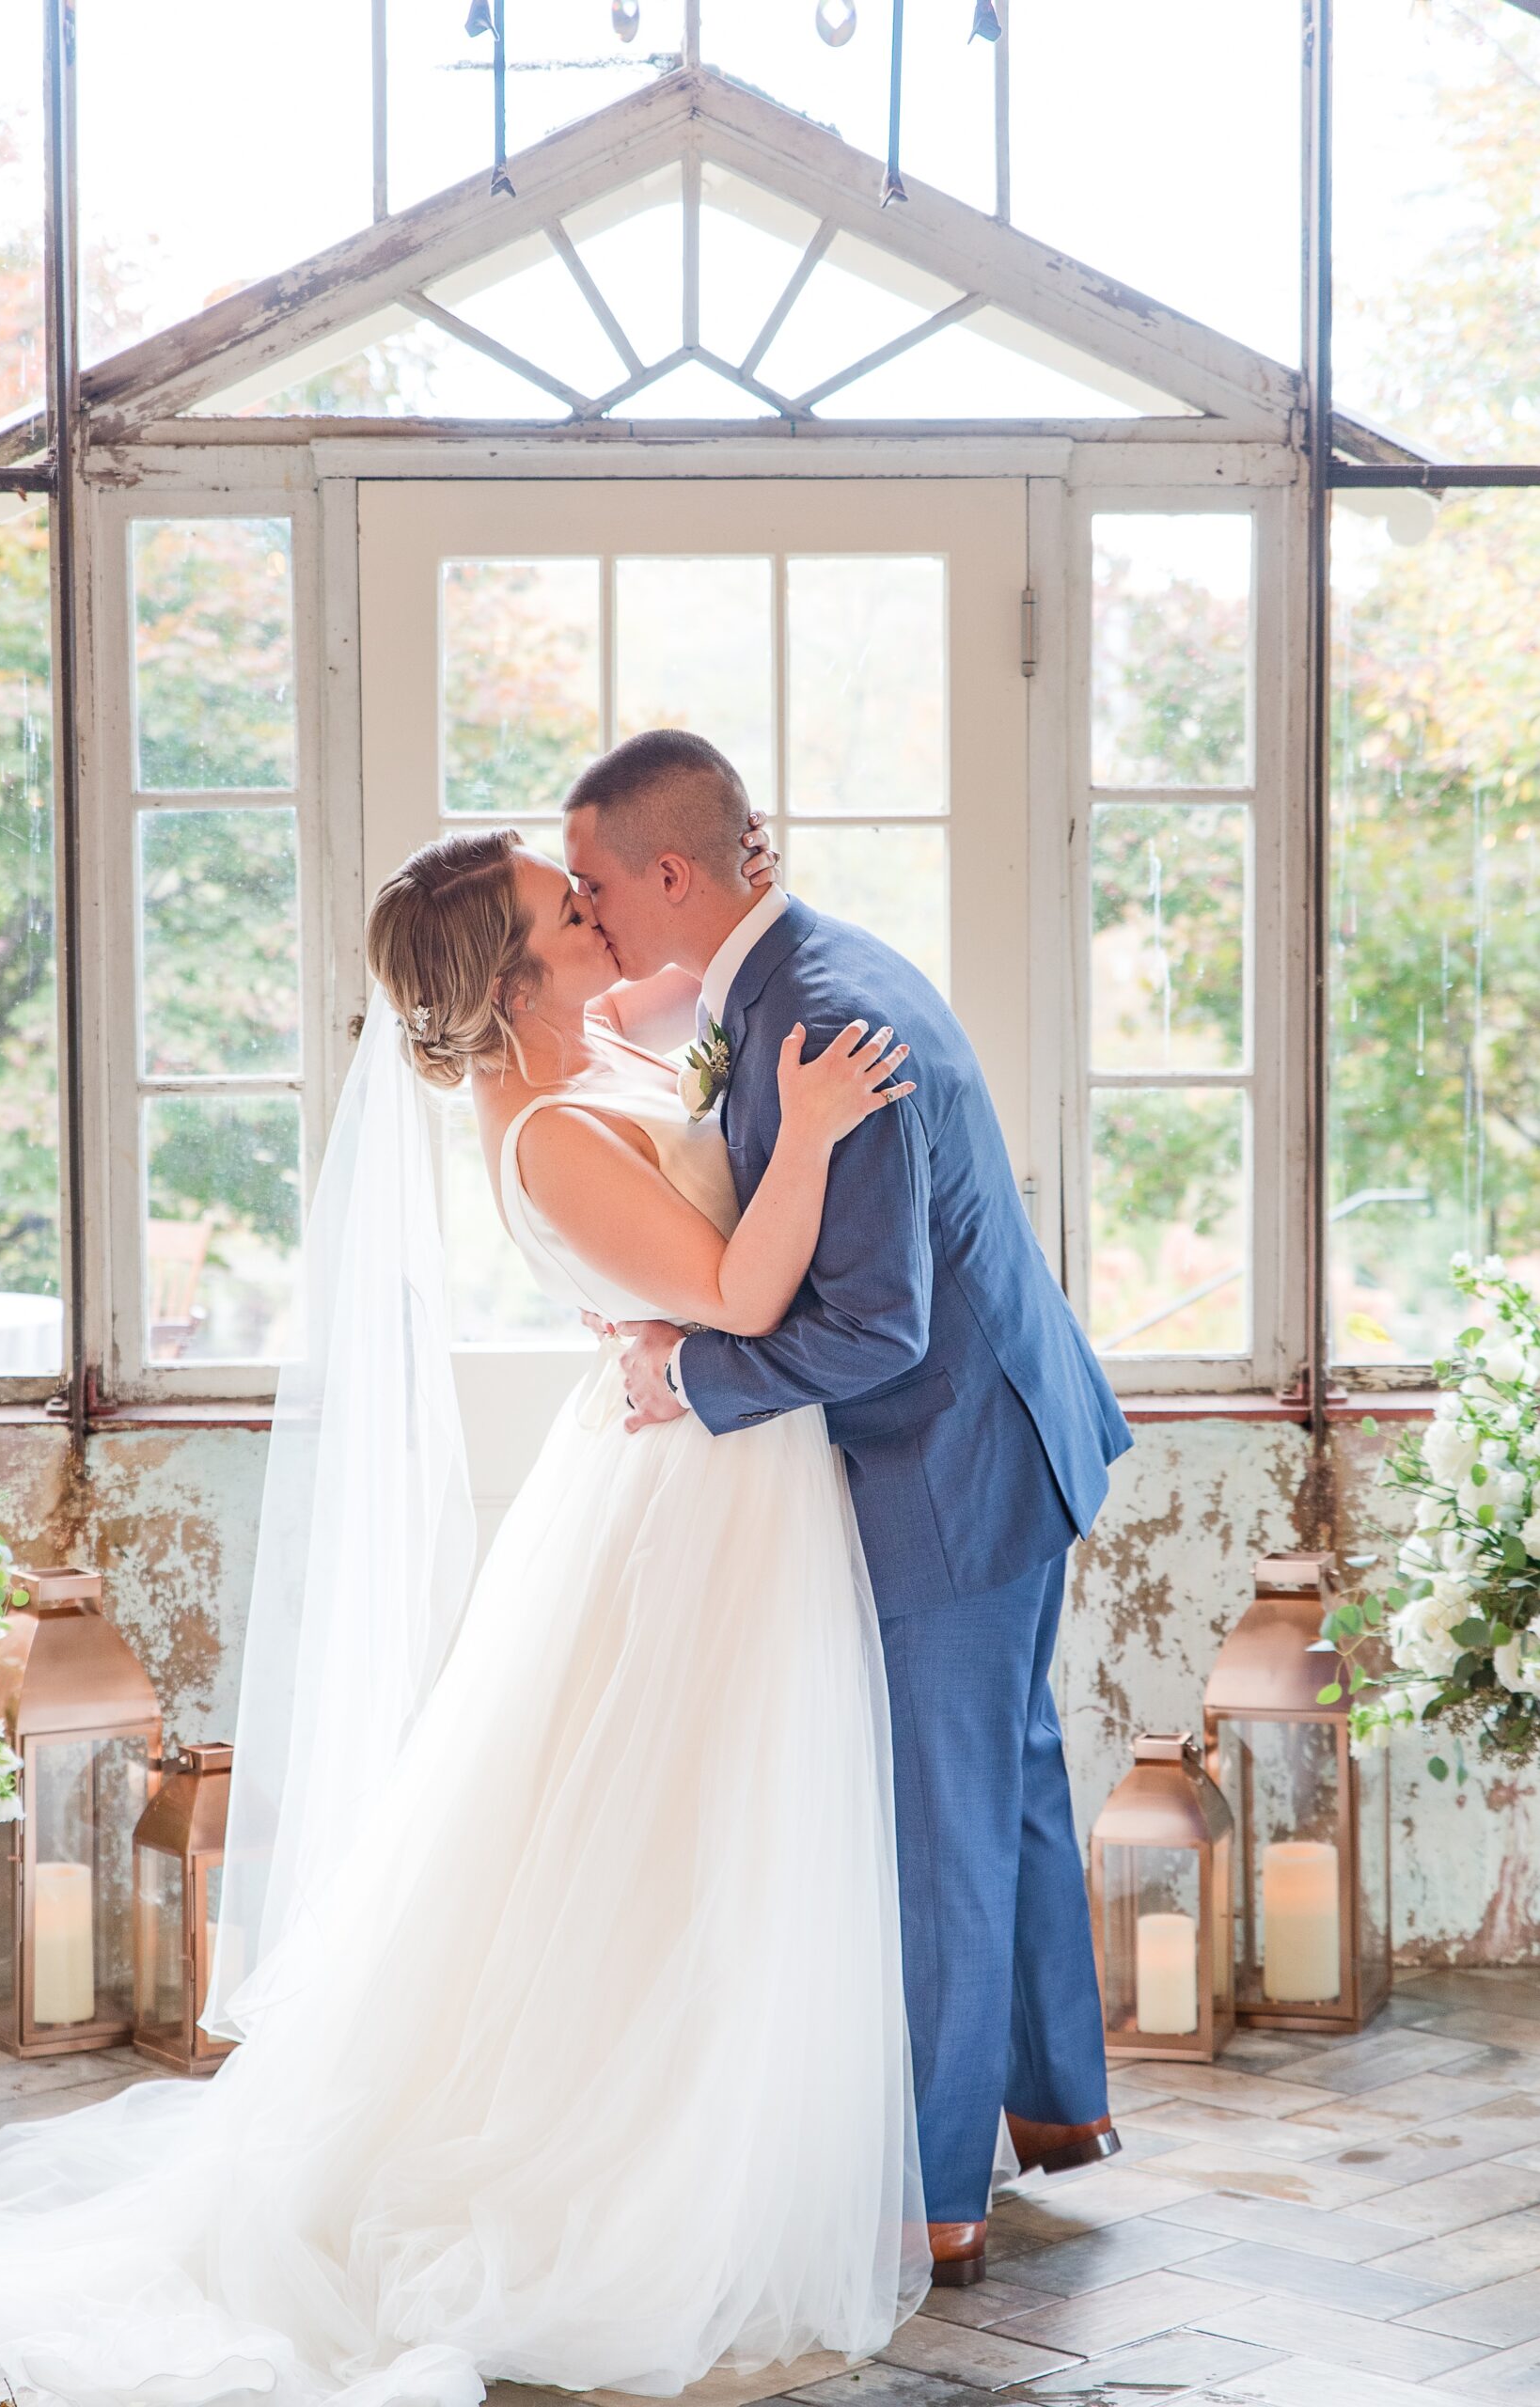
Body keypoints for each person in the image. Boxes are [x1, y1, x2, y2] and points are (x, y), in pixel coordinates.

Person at [0, 825, 930, 2404]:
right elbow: (737, 1297)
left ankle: (713, 2140)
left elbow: (686, 1004)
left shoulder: (586, 1047)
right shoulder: (540, 1135)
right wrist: (805, 1133)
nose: (595, 912)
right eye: (564, 905)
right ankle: (617, 2172)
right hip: (695, 1498)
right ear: (515, 974)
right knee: (675, 1830)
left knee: (709, 1828)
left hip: (727, 1469)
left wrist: (740, 894)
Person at [563, 730, 1134, 2289]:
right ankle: (1054, 2107)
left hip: (951, 1458)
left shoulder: (816, 1016)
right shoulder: (794, 974)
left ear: (670, 872)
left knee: (944, 1816)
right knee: (1003, 1775)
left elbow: (874, 1326)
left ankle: (935, 2191)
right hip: (1008, 1428)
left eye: (594, 883)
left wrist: (687, 1371)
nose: (583, 909)